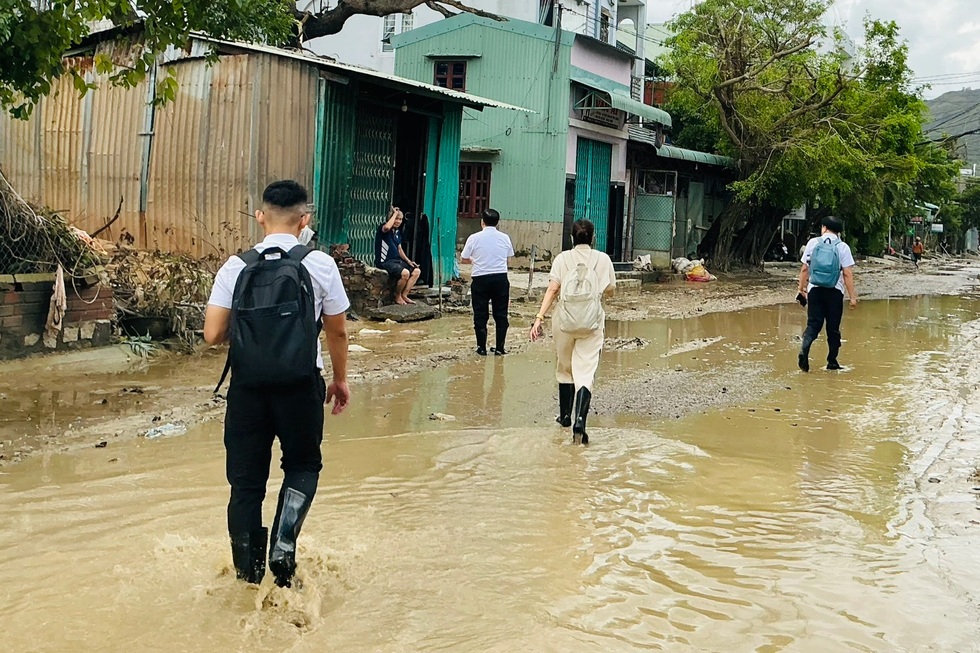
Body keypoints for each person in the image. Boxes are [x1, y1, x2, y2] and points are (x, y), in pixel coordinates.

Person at [204, 180, 351, 588]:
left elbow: (212, 334)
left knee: (245, 482)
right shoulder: (320, 264)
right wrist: (339, 381)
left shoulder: (236, 266)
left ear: (259, 216)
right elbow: (336, 333)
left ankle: (246, 576)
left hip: (247, 390)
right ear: (304, 219)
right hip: (300, 387)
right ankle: (283, 546)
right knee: (303, 465)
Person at [529, 219, 616, 444]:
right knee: (585, 372)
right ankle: (580, 420)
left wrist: (539, 318)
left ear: (571, 238)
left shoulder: (562, 259)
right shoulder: (603, 259)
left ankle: (565, 416)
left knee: (565, 366)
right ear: (593, 238)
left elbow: (552, 289)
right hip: (592, 323)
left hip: (563, 322)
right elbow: (610, 291)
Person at [797, 215, 857, 372]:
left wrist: (801, 289)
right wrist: (852, 297)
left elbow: (804, 269)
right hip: (834, 293)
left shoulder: (812, 243)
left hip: (815, 290)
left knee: (813, 325)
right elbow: (847, 274)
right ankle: (832, 361)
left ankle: (805, 347)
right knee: (833, 329)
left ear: (823, 228)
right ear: (839, 232)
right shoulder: (842, 247)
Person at [460, 208, 515, 355]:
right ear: (497, 223)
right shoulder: (505, 238)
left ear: (482, 222)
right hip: (500, 279)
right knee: (501, 314)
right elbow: (508, 259)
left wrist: (474, 260)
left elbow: (464, 258)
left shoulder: (474, 238)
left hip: (480, 279)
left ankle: (481, 348)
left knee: (480, 314)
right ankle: (500, 348)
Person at [375, 207, 421, 305]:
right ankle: (397, 295)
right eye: (396, 219)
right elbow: (387, 227)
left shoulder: (397, 233)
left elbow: (400, 249)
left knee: (416, 271)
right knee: (405, 274)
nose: (398, 221)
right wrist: (395, 213)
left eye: (400, 219)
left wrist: (409, 261)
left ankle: (405, 295)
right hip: (385, 261)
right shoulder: (383, 228)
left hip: (396, 261)